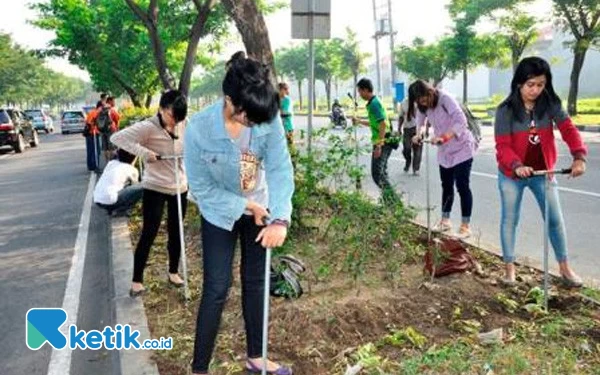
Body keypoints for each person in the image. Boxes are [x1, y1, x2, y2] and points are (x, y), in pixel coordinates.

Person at [185, 51, 294, 375]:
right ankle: (199, 367)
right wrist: (246, 205)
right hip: (219, 212)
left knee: (256, 281)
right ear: (230, 100)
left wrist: (280, 218)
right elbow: (201, 189)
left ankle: (256, 357)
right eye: (250, 116)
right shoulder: (198, 129)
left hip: (260, 209)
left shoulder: (267, 118)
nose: (256, 123)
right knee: (217, 287)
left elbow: (279, 169)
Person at [494, 56, 587, 286]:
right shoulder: (505, 110)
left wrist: (579, 156)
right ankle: (509, 270)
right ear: (519, 83)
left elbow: (568, 129)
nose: (535, 90)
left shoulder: (550, 104)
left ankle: (565, 269)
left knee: (555, 219)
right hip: (511, 174)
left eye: (541, 84)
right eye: (531, 85)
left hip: (543, 172)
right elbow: (502, 147)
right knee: (510, 219)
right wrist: (517, 166)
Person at [110, 89, 189, 297]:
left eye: (179, 118)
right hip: (155, 186)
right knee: (149, 232)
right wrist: (146, 153)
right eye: (173, 117)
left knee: (176, 232)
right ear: (162, 109)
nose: (175, 122)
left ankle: (173, 272)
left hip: (179, 187)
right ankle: (137, 280)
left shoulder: (183, 123)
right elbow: (118, 138)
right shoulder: (148, 127)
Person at [408, 79, 476, 238]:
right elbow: (420, 120)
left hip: (462, 148)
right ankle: (445, 221)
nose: (423, 102)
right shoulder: (422, 106)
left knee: (462, 186)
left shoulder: (445, 99)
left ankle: (465, 226)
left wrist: (444, 137)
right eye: (419, 100)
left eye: (424, 97)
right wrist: (418, 135)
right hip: (445, 152)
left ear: (429, 91)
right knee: (446, 185)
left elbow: (461, 121)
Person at [353, 78, 397, 203]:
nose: (360, 94)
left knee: (377, 174)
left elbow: (382, 124)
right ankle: (388, 202)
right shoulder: (373, 102)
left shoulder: (374, 104)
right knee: (382, 173)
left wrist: (379, 145)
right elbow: (376, 123)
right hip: (384, 139)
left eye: (360, 91)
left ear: (366, 90)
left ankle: (393, 202)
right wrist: (360, 121)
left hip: (383, 141)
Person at [93, 148, 143, 216]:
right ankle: (122, 210)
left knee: (118, 185)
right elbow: (135, 187)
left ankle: (111, 209)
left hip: (98, 199)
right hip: (111, 200)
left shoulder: (111, 163)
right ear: (133, 158)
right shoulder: (131, 169)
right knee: (143, 187)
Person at [398, 98, 422, 175]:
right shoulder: (404, 102)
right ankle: (408, 161)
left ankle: (416, 169)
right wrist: (399, 128)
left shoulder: (419, 102)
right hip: (407, 129)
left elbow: (423, 115)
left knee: (417, 149)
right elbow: (401, 116)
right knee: (406, 148)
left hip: (417, 128)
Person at [98, 96, 121, 165]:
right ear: (110, 101)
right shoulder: (111, 109)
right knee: (112, 147)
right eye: (113, 101)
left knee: (105, 148)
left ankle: (107, 163)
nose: (114, 102)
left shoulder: (100, 109)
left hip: (102, 130)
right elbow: (117, 118)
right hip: (111, 129)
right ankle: (112, 163)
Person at [84, 101, 103, 171]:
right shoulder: (96, 113)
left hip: (89, 133)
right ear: (100, 107)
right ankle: (95, 166)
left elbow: (87, 121)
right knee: (95, 150)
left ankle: (91, 166)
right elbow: (90, 122)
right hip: (93, 133)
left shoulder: (92, 112)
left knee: (90, 150)